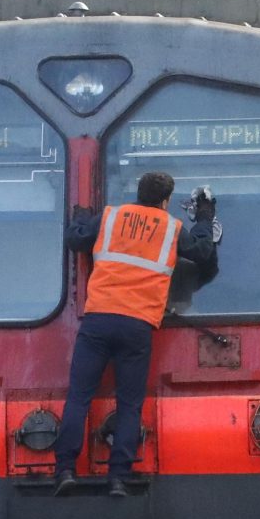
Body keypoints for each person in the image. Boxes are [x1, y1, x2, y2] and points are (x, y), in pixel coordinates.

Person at [53, 172, 220, 496]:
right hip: (137, 325)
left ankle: (65, 471)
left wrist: (81, 217)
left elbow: (76, 240)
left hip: (98, 320)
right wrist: (204, 215)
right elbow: (202, 252)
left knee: (79, 397)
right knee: (129, 404)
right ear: (166, 201)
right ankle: (118, 477)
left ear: (138, 193)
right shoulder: (171, 229)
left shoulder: (111, 217)